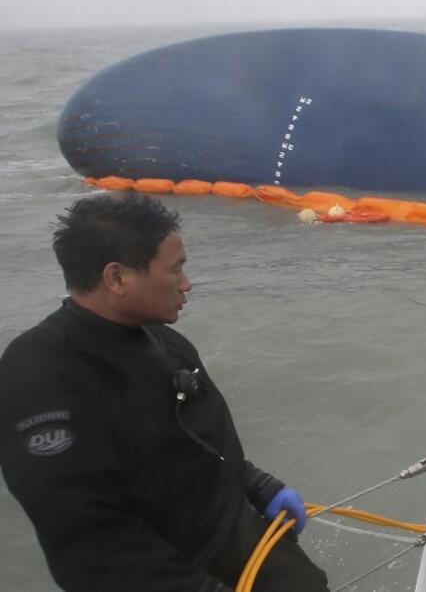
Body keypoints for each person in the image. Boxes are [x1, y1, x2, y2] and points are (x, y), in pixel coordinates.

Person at [0, 192, 330, 592]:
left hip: (242, 546)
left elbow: (200, 448)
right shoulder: (39, 376)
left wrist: (259, 486)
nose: (187, 284)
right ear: (117, 277)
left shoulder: (167, 344)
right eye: (176, 270)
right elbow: (89, 541)